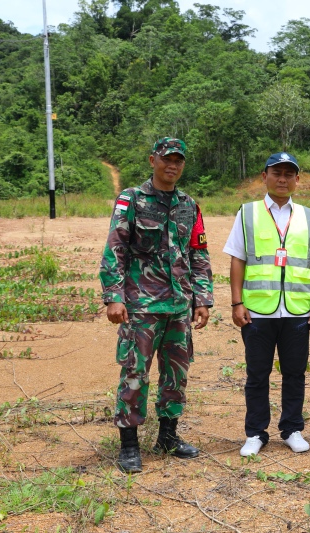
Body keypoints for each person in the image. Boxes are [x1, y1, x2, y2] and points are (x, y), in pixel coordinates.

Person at [100, 137, 214, 473]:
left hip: (179, 307)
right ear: (153, 160)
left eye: (178, 160)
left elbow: (198, 253)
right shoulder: (131, 200)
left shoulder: (189, 205)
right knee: (135, 373)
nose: (172, 166)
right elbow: (115, 249)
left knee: (176, 375)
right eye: (166, 159)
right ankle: (130, 445)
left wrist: (202, 298)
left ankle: (168, 436)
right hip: (141, 307)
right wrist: (114, 296)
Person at [224, 152, 310, 457]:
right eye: (276, 173)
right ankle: (256, 432)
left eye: (288, 174)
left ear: (297, 179)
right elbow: (238, 259)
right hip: (257, 310)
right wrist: (237, 302)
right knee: (257, 373)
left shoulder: (308, 216)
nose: (282, 179)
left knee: (295, 372)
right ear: (264, 176)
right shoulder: (248, 213)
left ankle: (292, 428)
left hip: (296, 310)